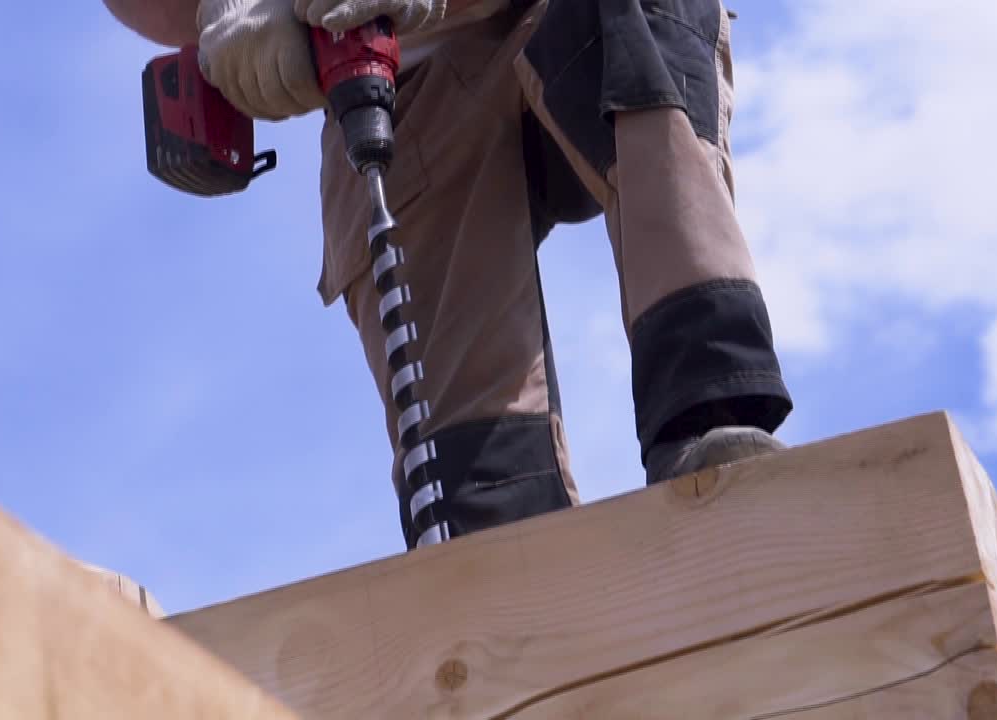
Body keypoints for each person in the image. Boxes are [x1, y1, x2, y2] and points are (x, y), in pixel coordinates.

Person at [103, 0, 795, 550]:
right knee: (487, 534)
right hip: (397, 92)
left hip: (575, 19)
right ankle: (510, 597)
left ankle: (713, 429)